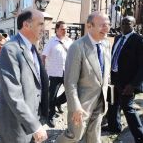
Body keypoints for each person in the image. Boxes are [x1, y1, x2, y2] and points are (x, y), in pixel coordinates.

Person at [56, 11, 111, 143]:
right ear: (89, 26)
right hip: (82, 104)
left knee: (94, 135)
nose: (107, 28)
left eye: (108, 24)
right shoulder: (77, 47)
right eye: (102, 25)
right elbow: (70, 82)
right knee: (74, 136)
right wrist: (75, 106)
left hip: (100, 100)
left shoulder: (106, 44)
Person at [0, 9, 49, 143]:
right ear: (26, 25)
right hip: (15, 127)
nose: (44, 28)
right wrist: (35, 126)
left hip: (32, 120)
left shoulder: (31, 47)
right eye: (40, 24)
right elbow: (13, 95)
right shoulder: (11, 49)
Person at [104, 16, 143, 142]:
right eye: (123, 23)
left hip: (128, 82)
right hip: (114, 77)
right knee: (112, 103)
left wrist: (133, 84)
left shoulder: (138, 40)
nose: (125, 26)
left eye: (128, 23)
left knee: (128, 108)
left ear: (134, 25)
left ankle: (139, 135)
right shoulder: (118, 37)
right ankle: (114, 127)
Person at [42, 21, 72, 127]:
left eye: (66, 29)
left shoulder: (69, 41)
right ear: (57, 30)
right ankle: (51, 116)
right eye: (62, 29)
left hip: (67, 73)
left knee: (69, 94)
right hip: (54, 73)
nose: (65, 31)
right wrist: (43, 72)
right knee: (51, 96)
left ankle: (58, 102)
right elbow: (43, 56)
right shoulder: (51, 42)